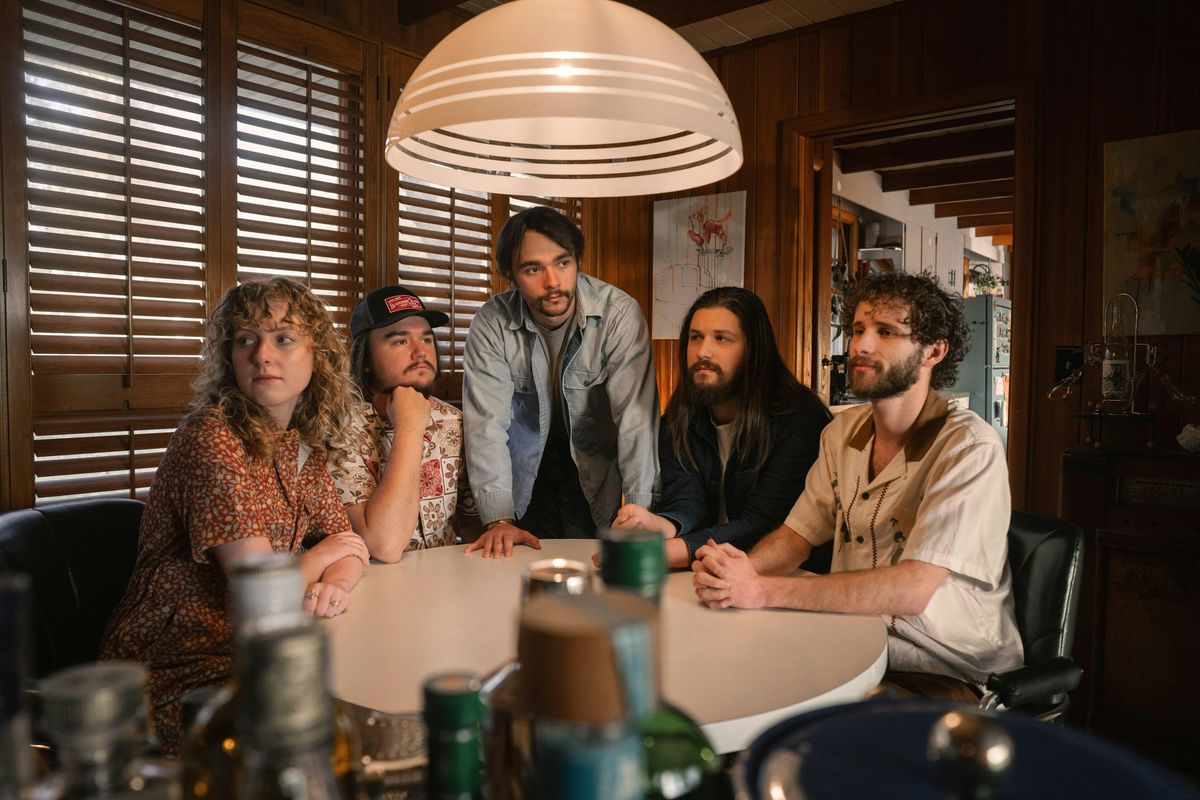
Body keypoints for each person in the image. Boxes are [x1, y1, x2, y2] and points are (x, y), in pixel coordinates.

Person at [692, 273, 1022, 700]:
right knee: (728, 676)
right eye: (858, 329)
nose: (861, 346)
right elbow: (796, 536)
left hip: (944, 667)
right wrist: (734, 576)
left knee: (798, 716)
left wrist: (761, 590)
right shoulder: (841, 433)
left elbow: (912, 588)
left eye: (886, 332)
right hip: (852, 642)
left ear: (934, 351)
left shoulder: (969, 447)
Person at [100, 277, 369, 753]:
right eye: (246, 340)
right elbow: (257, 586)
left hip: (256, 650)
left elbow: (349, 545)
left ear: (318, 356)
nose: (262, 355)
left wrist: (335, 585)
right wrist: (324, 556)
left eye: (283, 338)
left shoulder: (298, 444)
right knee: (337, 738)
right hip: (177, 671)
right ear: (229, 357)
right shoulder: (211, 437)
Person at [462, 205, 658, 557]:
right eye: (533, 269)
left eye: (563, 262)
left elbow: (636, 420)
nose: (553, 282)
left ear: (577, 261)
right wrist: (498, 519)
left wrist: (640, 510)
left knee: (591, 566)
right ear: (510, 276)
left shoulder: (618, 314)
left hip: (591, 461)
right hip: (522, 467)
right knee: (518, 564)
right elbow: (486, 425)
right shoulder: (491, 322)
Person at [612, 287, 830, 569]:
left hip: (790, 579)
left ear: (754, 350)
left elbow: (765, 524)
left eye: (722, 338)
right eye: (695, 337)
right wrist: (657, 524)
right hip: (709, 573)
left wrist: (665, 553)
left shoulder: (800, 419)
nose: (703, 352)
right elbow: (687, 501)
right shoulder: (682, 416)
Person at [329, 285, 481, 561]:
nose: (420, 352)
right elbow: (383, 546)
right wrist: (409, 426)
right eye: (400, 341)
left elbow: (472, 523)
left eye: (426, 339)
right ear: (365, 359)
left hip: (445, 576)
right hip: (369, 579)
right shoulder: (337, 430)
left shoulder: (453, 421)